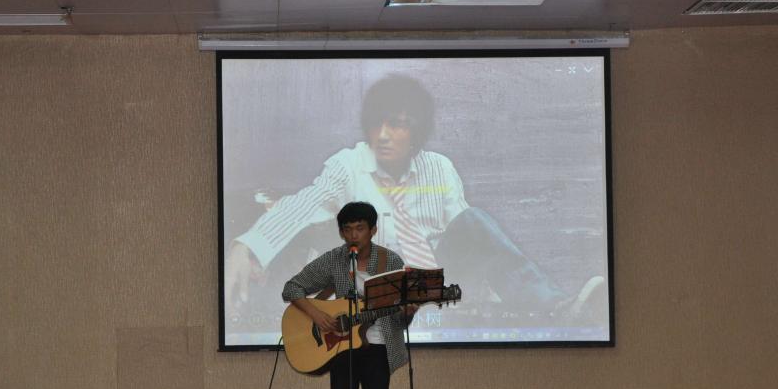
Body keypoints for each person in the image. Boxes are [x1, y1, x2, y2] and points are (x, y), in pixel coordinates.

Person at [226, 74, 604, 331]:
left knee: (474, 221)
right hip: (379, 293)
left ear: (416, 131)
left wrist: (488, 292)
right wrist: (247, 246)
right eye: (378, 124)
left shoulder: (439, 169)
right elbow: (301, 206)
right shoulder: (348, 165)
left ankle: (556, 307)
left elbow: (472, 239)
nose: (384, 135)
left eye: (398, 124)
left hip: (434, 283)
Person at [283, 201, 415, 389]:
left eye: (360, 228)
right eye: (347, 229)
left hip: (379, 349)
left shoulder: (390, 261)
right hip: (342, 352)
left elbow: (400, 319)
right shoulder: (335, 259)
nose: (354, 235)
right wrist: (317, 314)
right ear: (342, 233)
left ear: (373, 230)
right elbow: (292, 288)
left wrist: (408, 310)